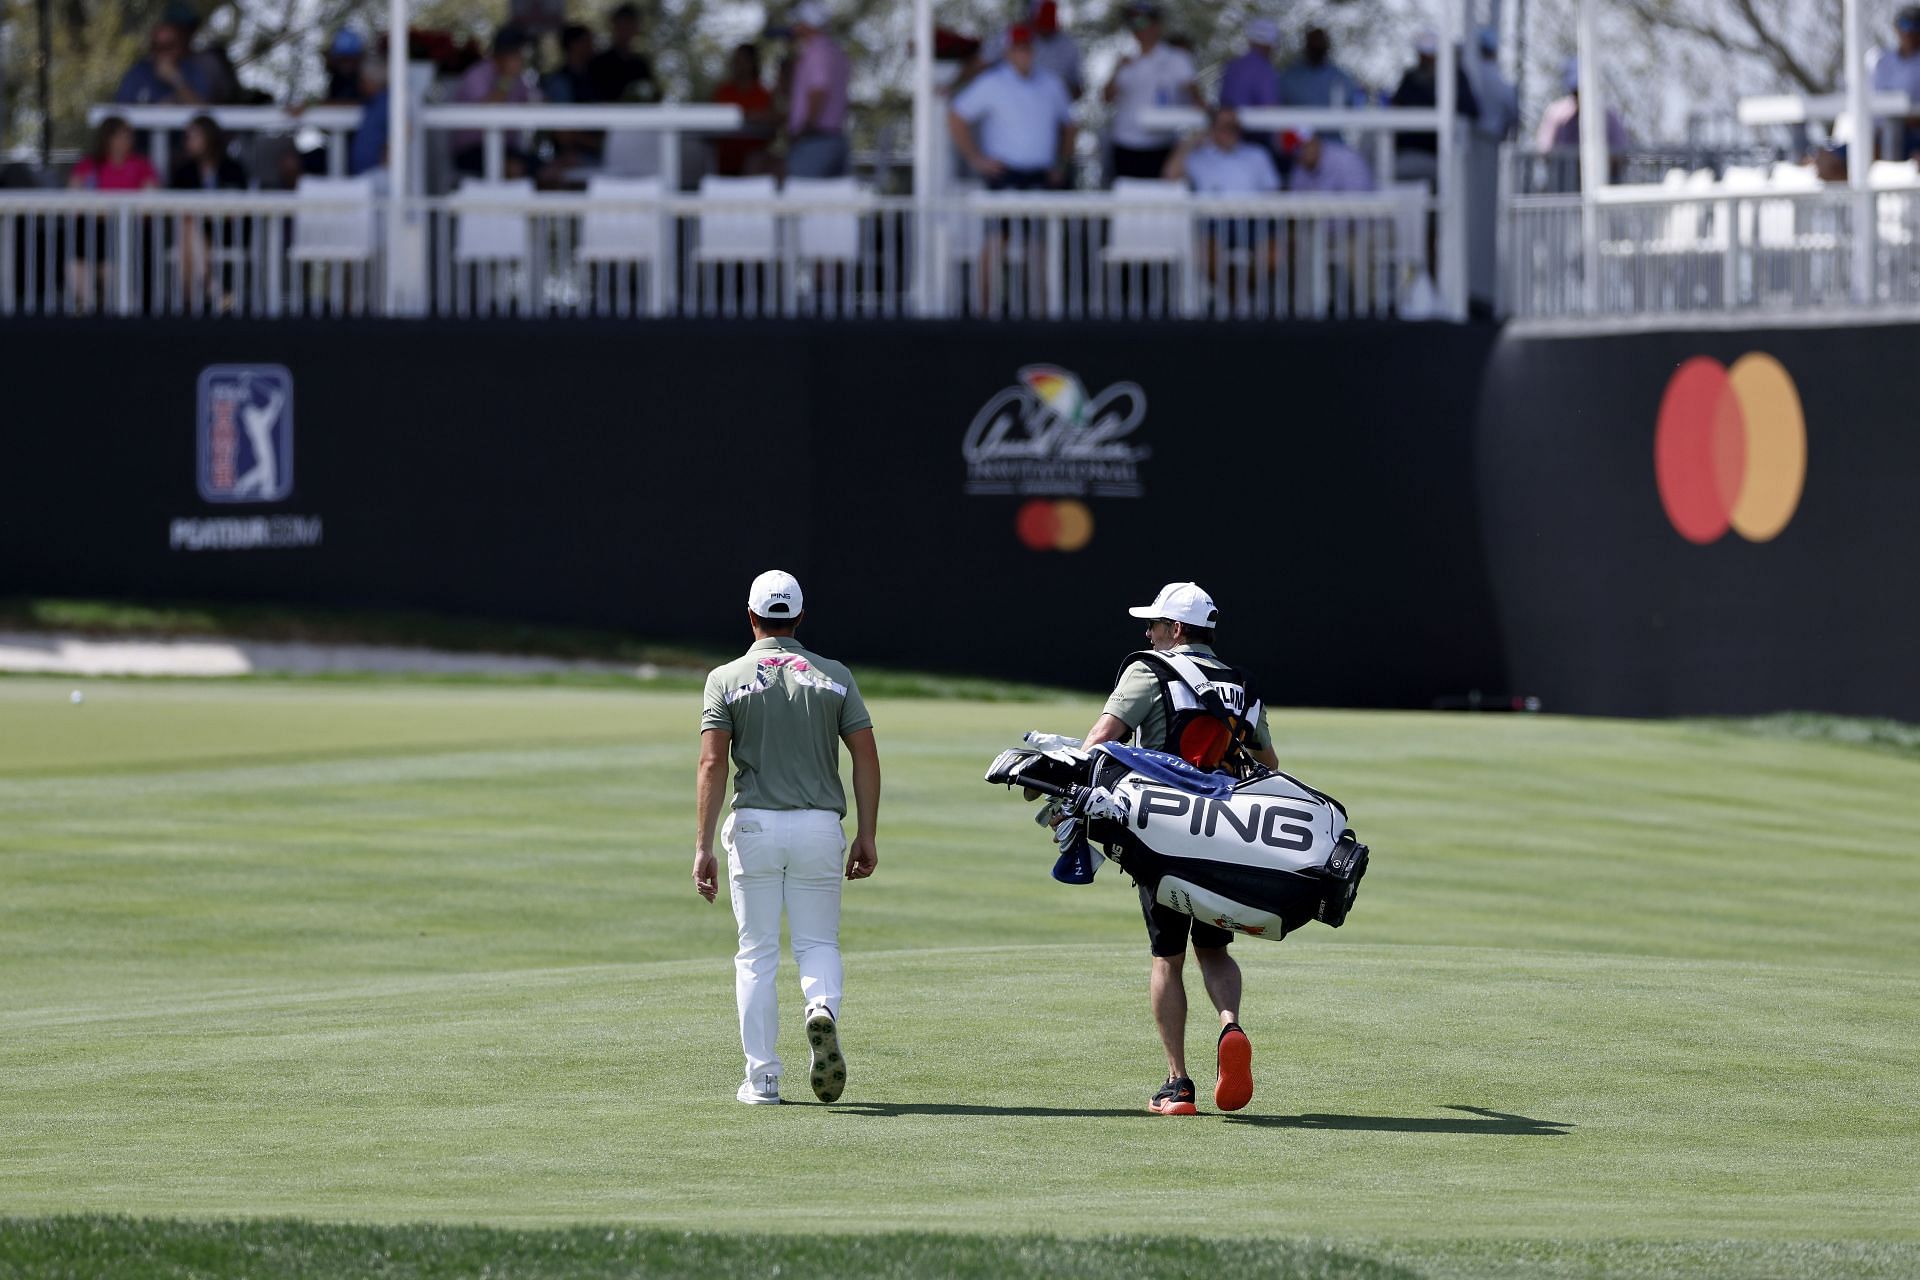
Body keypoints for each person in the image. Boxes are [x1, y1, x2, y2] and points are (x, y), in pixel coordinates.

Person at [1078, 583, 1279, 1117]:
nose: (1148, 633)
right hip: (1225, 837)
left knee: (1167, 958)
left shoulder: (1149, 669)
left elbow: (1099, 741)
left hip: (1163, 834)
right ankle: (1230, 1025)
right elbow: (1269, 764)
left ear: (1178, 630)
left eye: (1155, 624)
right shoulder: (1243, 683)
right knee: (1214, 948)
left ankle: (1178, 1086)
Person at [695, 571, 881, 1107]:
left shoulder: (725, 678)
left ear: (750, 617)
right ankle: (820, 1006)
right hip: (820, 827)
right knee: (817, 943)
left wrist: (703, 846)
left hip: (754, 825)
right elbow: (864, 757)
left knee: (756, 954)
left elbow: (712, 762)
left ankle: (763, 1081)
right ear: (799, 617)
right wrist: (866, 834)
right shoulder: (835, 675)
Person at [1104, 2, 1198, 181]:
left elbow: (1195, 96)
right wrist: (1116, 70)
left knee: (1162, 203)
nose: (1138, 28)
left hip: (1162, 145)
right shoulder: (1126, 62)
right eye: (1132, 23)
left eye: (1143, 22)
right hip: (1125, 144)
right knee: (1127, 202)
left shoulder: (1176, 58)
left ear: (1157, 25)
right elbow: (1106, 98)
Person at [452, 27, 543, 178]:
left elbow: (536, 102)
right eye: (518, 52)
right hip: (472, 150)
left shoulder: (519, 78)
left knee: (547, 170)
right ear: (503, 53)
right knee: (515, 168)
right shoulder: (477, 74)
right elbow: (488, 109)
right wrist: (506, 78)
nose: (521, 57)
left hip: (507, 149)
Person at [1391, 30, 1479, 181]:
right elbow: (1396, 106)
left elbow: (1471, 110)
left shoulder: (1456, 78)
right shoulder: (1411, 78)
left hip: (1441, 154)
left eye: (1430, 55)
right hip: (1408, 150)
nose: (1426, 59)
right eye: (1424, 55)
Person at [1533, 57, 1631, 186]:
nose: (1580, 96)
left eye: (1584, 90)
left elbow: (1621, 154)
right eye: (1576, 92)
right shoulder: (1556, 114)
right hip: (1564, 190)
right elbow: (1544, 152)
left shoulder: (1609, 116)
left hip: (1600, 186)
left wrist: (1592, 162)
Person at [966, 1, 1085, 100]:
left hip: (1047, 110)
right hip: (1007, 101)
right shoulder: (1012, 35)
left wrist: (1057, 99)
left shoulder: (1068, 46)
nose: (1045, 31)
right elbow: (981, 62)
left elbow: (1077, 89)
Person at [786, 1, 852, 178]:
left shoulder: (817, 52)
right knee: (829, 203)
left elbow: (819, 91)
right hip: (833, 138)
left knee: (804, 199)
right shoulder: (835, 52)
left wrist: (804, 130)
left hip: (816, 141)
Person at [1162, 107, 1278, 193]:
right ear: (1212, 129)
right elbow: (1170, 175)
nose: (1230, 131)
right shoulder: (1199, 157)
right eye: (1225, 127)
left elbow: (1272, 191)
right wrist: (1189, 143)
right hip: (1211, 222)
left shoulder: (1257, 154)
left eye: (1234, 127)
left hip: (1251, 220)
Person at [114, 17, 213, 105]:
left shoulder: (193, 70)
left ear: (180, 47)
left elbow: (203, 115)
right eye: (156, 46)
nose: (162, 53)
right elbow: (120, 114)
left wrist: (176, 80)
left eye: (168, 46)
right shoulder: (138, 72)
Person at [711, 44, 776, 176]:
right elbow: (713, 120)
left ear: (753, 62)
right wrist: (745, 116)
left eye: (743, 60)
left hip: (754, 168)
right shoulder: (723, 92)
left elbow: (771, 120)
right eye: (736, 60)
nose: (738, 64)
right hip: (723, 165)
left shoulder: (763, 93)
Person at [1872, 7, 1920, 160]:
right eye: (1905, 24)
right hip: (1876, 134)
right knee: (1827, 160)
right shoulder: (1880, 59)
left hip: (1911, 138)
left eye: (1917, 25)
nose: (1910, 31)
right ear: (1896, 28)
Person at [1277, 27, 1361, 112]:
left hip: (1330, 124)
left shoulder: (1340, 78)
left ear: (1327, 47)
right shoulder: (1290, 76)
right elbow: (1278, 105)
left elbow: (1354, 106)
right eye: (1313, 43)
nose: (1317, 46)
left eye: (1320, 43)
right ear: (1307, 46)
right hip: (1297, 123)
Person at [589, 3, 658, 104]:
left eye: (629, 25)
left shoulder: (640, 65)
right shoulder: (599, 63)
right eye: (622, 25)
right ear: (614, 27)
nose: (625, 30)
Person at [1466, 26, 1518, 141]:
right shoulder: (1502, 81)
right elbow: (1512, 113)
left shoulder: (1469, 74)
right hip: (1492, 138)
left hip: (1469, 138)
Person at [1218, 19, 1280, 113]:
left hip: (1228, 125)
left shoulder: (1232, 66)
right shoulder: (1264, 70)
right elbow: (1270, 106)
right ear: (1272, 45)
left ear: (1250, 41)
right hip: (1255, 126)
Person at [1287, 127, 1373, 192]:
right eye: (1296, 150)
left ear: (1315, 141)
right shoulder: (1300, 168)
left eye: (1303, 147)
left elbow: (1359, 205)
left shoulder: (1346, 160)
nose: (1301, 154)